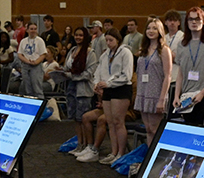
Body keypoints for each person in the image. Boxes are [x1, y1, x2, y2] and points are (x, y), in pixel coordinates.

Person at [172, 7, 204, 126]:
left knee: (199, 125)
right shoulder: (182, 43)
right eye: (190, 19)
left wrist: (202, 93)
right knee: (188, 126)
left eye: (197, 19)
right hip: (186, 94)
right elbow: (181, 73)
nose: (194, 22)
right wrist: (176, 96)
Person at [90, 27, 134, 165]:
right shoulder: (105, 55)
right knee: (110, 122)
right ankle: (113, 152)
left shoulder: (125, 52)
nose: (108, 43)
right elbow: (98, 71)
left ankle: (121, 153)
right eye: (107, 40)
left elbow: (127, 74)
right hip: (108, 89)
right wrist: (96, 84)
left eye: (111, 40)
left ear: (118, 40)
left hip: (121, 88)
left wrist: (108, 83)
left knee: (118, 122)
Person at [134, 18, 172, 146]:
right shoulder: (143, 49)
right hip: (143, 92)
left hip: (156, 93)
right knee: (148, 130)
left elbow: (168, 76)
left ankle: (156, 159)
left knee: (156, 130)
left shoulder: (164, 50)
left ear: (160, 31)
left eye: (154, 28)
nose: (151, 31)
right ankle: (149, 159)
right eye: (149, 28)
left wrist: (162, 99)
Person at [63, 26, 99, 157]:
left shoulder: (91, 53)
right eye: (76, 35)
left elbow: (89, 73)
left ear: (85, 37)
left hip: (83, 89)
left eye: (81, 35)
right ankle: (80, 144)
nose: (78, 37)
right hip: (71, 87)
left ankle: (88, 145)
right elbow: (67, 67)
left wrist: (72, 76)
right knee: (75, 119)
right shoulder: (72, 50)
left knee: (83, 118)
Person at [16, 21, 46, 97]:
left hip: (36, 66)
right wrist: (27, 61)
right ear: (28, 30)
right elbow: (20, 54)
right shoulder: (23, 41)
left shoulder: (40, 41)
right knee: (27, 89)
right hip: (26, 66)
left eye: (35, 29)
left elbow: (43, 54)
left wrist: (36, 62)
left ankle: (40, 106)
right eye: (31, 29)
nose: (33, 31)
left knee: (37, 89)